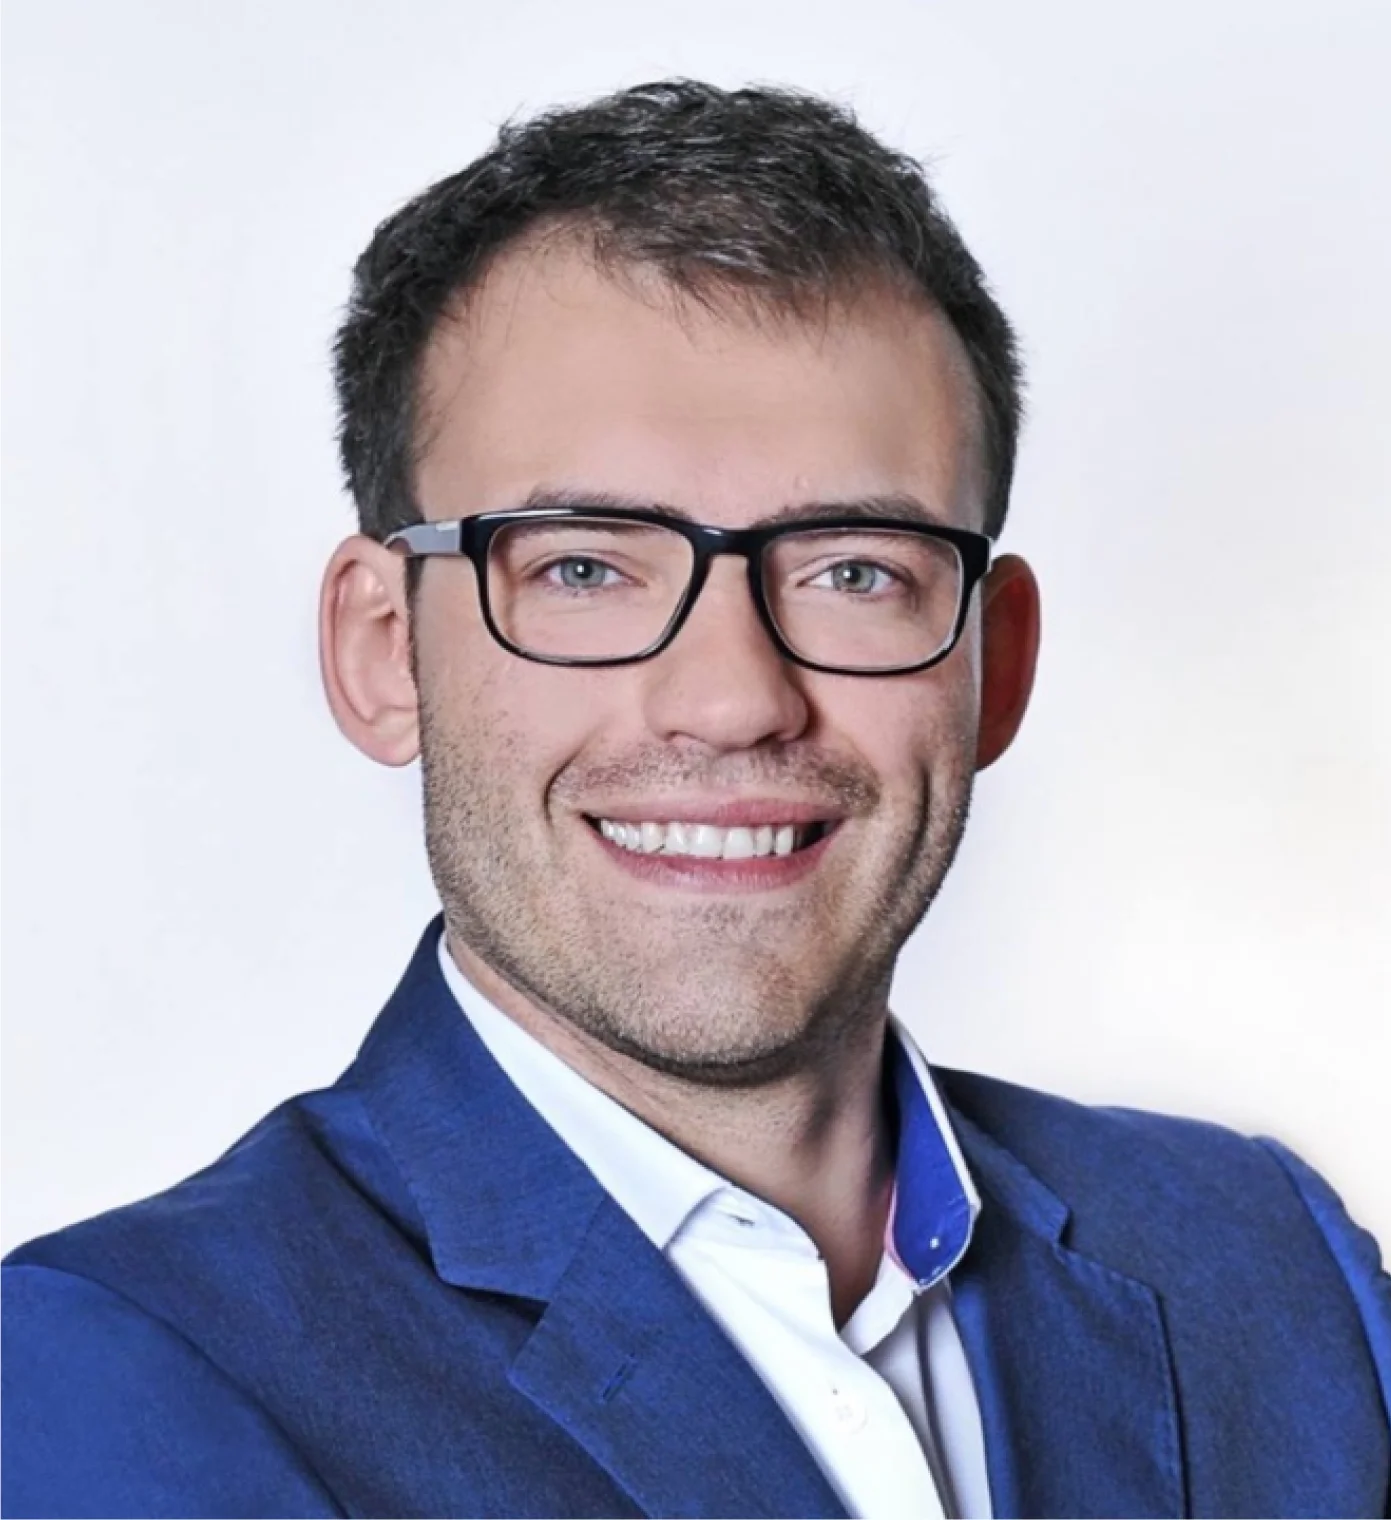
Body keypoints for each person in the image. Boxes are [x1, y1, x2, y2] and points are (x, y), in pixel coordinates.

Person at [3, 78, 1387, 1520]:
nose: (731, 698)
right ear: (380, 653)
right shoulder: (125, 1373)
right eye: (583, 567)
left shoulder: (1273, 1271)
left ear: (996, 661)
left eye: (854, 570)